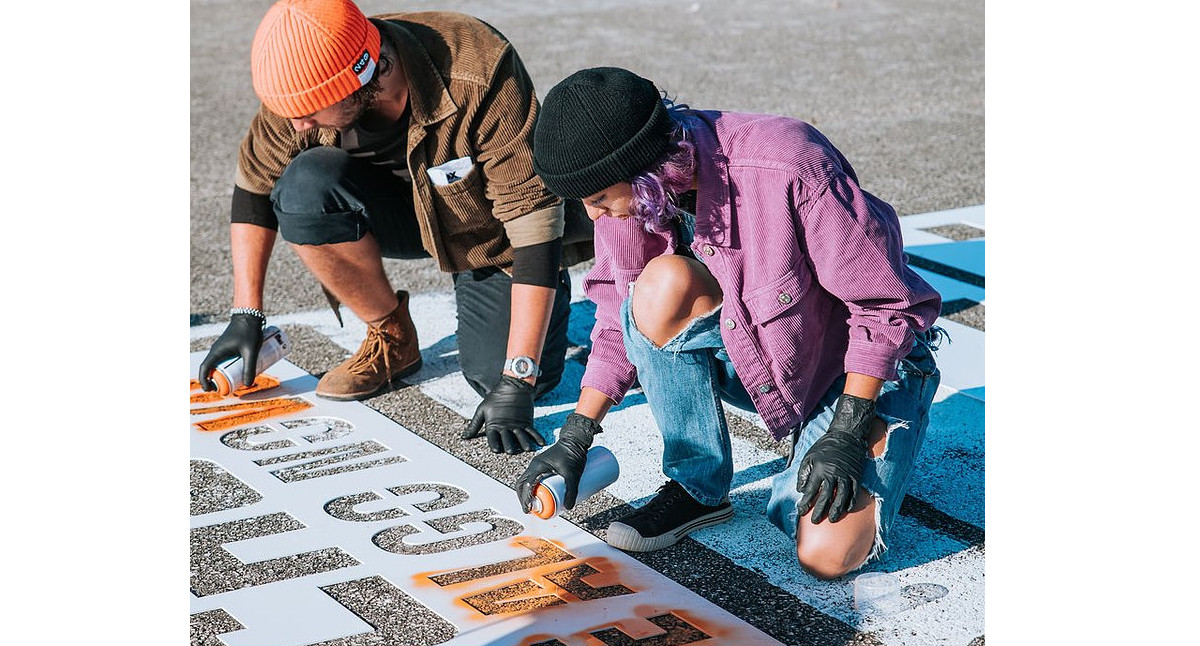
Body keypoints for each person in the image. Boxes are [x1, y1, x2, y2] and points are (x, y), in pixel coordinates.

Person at [517, 67, 943, 580]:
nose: (594, 215)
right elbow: (616, 324)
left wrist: (848, 431)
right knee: (659, 286)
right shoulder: (632, 204)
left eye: (599, 198)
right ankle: (697, 489)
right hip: (767, 360)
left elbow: (884, 308)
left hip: (855, 371)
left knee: (827, 554)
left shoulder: (788, 163)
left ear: (644, 169)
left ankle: (858, 432)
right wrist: (575, 437)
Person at [197, 0, 592, 454]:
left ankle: (532, 317)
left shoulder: (476, 67)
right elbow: (253, 188)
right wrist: (246, 315)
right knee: (304, 186)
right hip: (398, 215)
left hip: (489, 236)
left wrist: (518, 376)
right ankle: (392, 336)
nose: (298, 122)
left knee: (503, 380)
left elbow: (533, 219)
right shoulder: (301, 84)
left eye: (310, 110)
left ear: (363, 75)